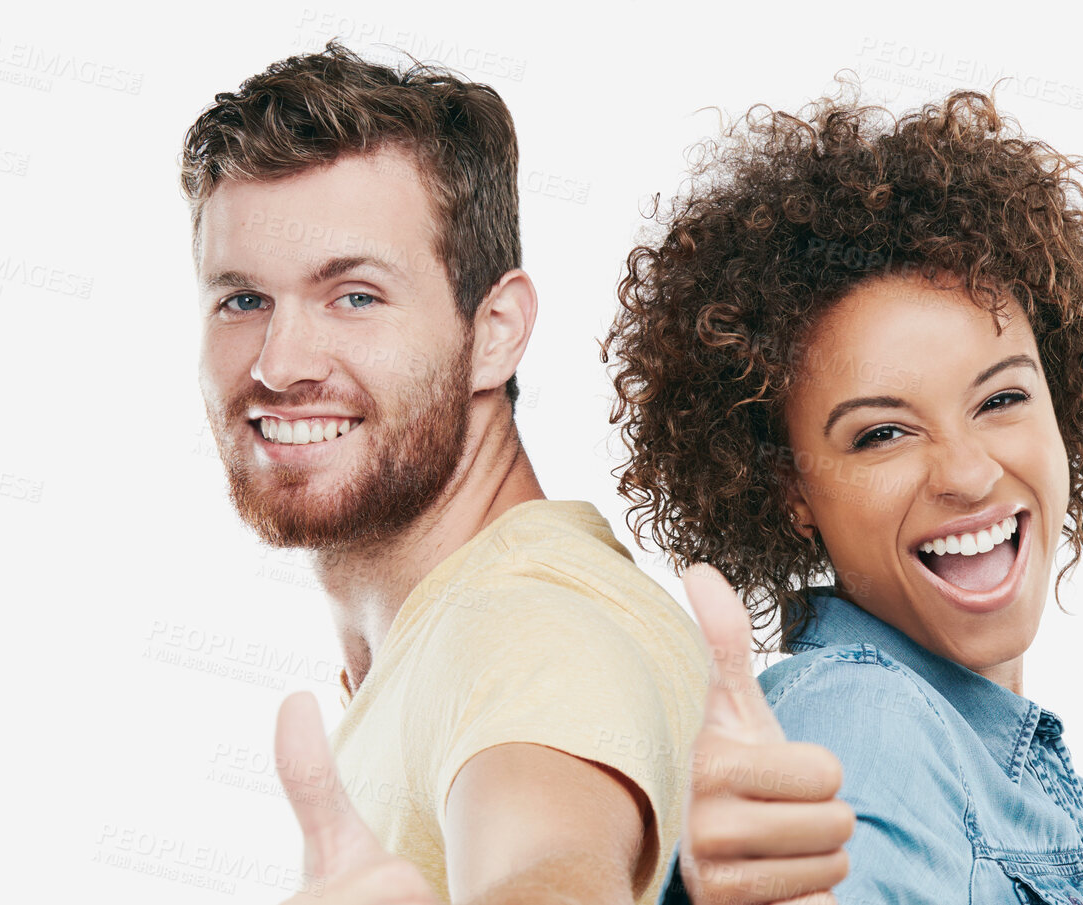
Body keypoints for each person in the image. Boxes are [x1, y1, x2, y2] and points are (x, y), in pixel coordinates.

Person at [181, 43, 705, 904]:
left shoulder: (527, 631)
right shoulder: (455, 633)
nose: (279, 364)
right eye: (242, 299)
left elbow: (549, 873)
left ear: (494, 329)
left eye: (354, 295)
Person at [606, 88, 1083, 904]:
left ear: (1062, 403)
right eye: (882, 434)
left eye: (1000, 400)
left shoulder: (1014, 771)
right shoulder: (861, 725)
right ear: (789, 488)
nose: (966, 472)